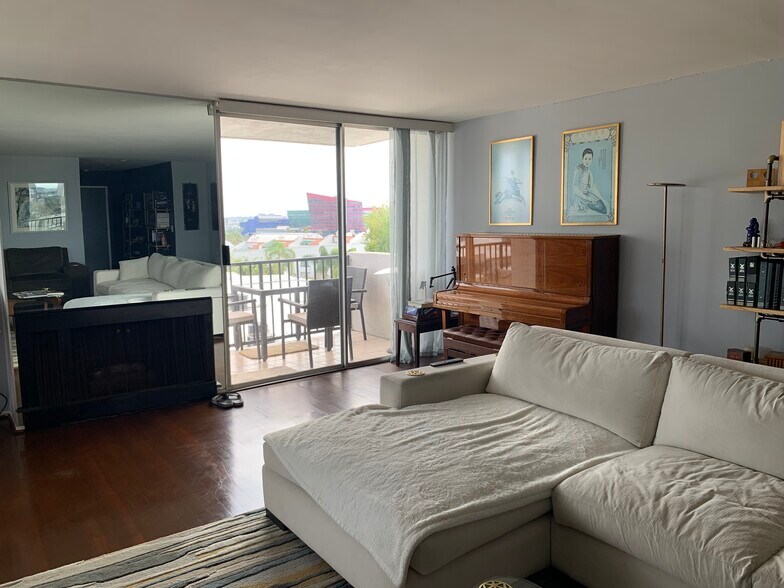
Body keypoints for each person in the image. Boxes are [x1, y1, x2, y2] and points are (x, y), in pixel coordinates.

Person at [571, 148, 607, 215]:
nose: (587, 161)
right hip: (579, 196)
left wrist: (589, 193)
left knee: (601, 205)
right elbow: (575, 188)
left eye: (590, 159)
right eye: (586, 159)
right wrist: (586, 197)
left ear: (592, 160)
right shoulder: (578, 170)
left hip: (586, 194)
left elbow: (589, 185)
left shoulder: (589, 172)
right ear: (582, 159)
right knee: (595, 206)